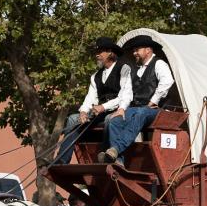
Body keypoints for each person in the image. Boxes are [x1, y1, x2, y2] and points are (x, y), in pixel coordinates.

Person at [52, 37, 132, 165]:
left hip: (119, 110)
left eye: (100, 52)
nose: (97, 55)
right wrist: (83, 112)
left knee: (109, 120)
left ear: (110, 52)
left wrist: (103, 107)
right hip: (99, 112)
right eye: (97, 52)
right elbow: (90, 97)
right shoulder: (96, 76)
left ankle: (107, 157)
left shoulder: (124, 69)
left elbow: (125, 95)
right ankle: (62, 159)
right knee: (73, 119)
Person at [100, 35, 174, 164]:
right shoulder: (134, 69)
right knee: (114, 120)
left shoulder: (159, 64)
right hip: (136, 108)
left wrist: (153, 101)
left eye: (137, 50)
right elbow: (127, 92)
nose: (134, 53)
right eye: (134, 51)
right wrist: (121, 109)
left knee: (142, 112)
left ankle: (116, 148)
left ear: (148, 50)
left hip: (156, 110)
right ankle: (118, 161)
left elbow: (167, 81)